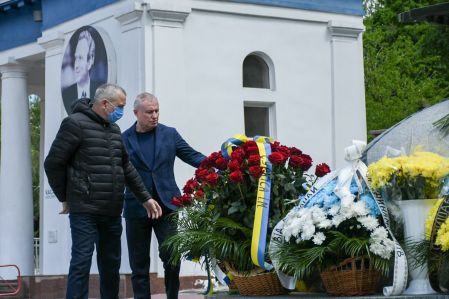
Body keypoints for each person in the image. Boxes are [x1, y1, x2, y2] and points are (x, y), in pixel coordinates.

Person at [44, 84, 162, 299]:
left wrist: (145, 198)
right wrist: (65, 197)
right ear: (105, 104)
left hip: (112, 209)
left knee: (111, 265)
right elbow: (53, 163)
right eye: (120, 106)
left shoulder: (114, 130)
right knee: (81, 261)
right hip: (85, 209)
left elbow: (126, 167)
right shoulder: (74, 124)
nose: (122, 112)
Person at [122, 92, 205, 299]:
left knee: (171, 258)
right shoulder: (123, 139)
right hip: (136, 207)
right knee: (139, 264)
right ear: (136, 113)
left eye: (157, 110)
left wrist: (220, 163)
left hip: (167, 206)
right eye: (149, 112)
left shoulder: (170, 134)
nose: (155, 115)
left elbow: (192, 155)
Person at [62, 28, 102, 114]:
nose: (76, 65)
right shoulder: (66, 94)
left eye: (80, 58)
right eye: (76, 58)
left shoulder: (100, 91)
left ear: (90, 61)